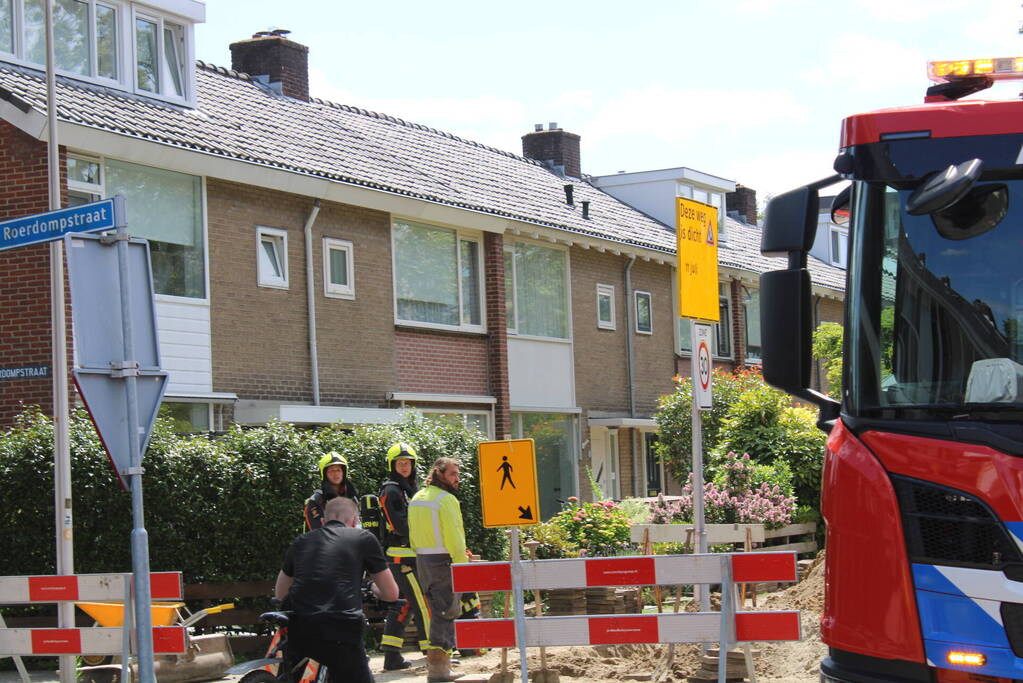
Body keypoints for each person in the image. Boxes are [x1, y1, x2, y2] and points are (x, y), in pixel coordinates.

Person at [275, 496, 398, 683]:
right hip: (342, 625)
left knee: (294, 674)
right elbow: (391, 593)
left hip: (301, 625)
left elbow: (280, 593)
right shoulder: (363, 538)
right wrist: (373, 588)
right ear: (355, 521)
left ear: (323, 521)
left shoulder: (302, 541)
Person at [409, 457, 468, 682]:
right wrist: (462, 565)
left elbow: (414, 535)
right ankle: (440, 670)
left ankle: (440, 666)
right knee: (447, 611)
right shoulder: (446, 500)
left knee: (436, 611)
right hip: (444, 561)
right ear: (439, 473)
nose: (457, 478)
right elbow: (455, 536)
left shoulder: (417, 497)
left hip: (423, 560)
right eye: (453, 474)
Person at [378, 442, 432, 671]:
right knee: (422, 603)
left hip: (410, 555)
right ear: (392, 466)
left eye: (407, 463)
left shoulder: (411, 489)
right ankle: (435, 652)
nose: (404, 467)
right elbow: (398, 525)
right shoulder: (391, 490)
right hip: (402, 558)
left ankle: (391, 657)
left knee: (404, 605)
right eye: (399, 463)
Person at [304, 451, 360, 530]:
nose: (336, 474)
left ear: (343, 472)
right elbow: (316, 530)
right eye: (331, 471)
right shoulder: (316, 500)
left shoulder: (351, 497)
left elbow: (358, 524)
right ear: (324, 474)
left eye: (338, 470)